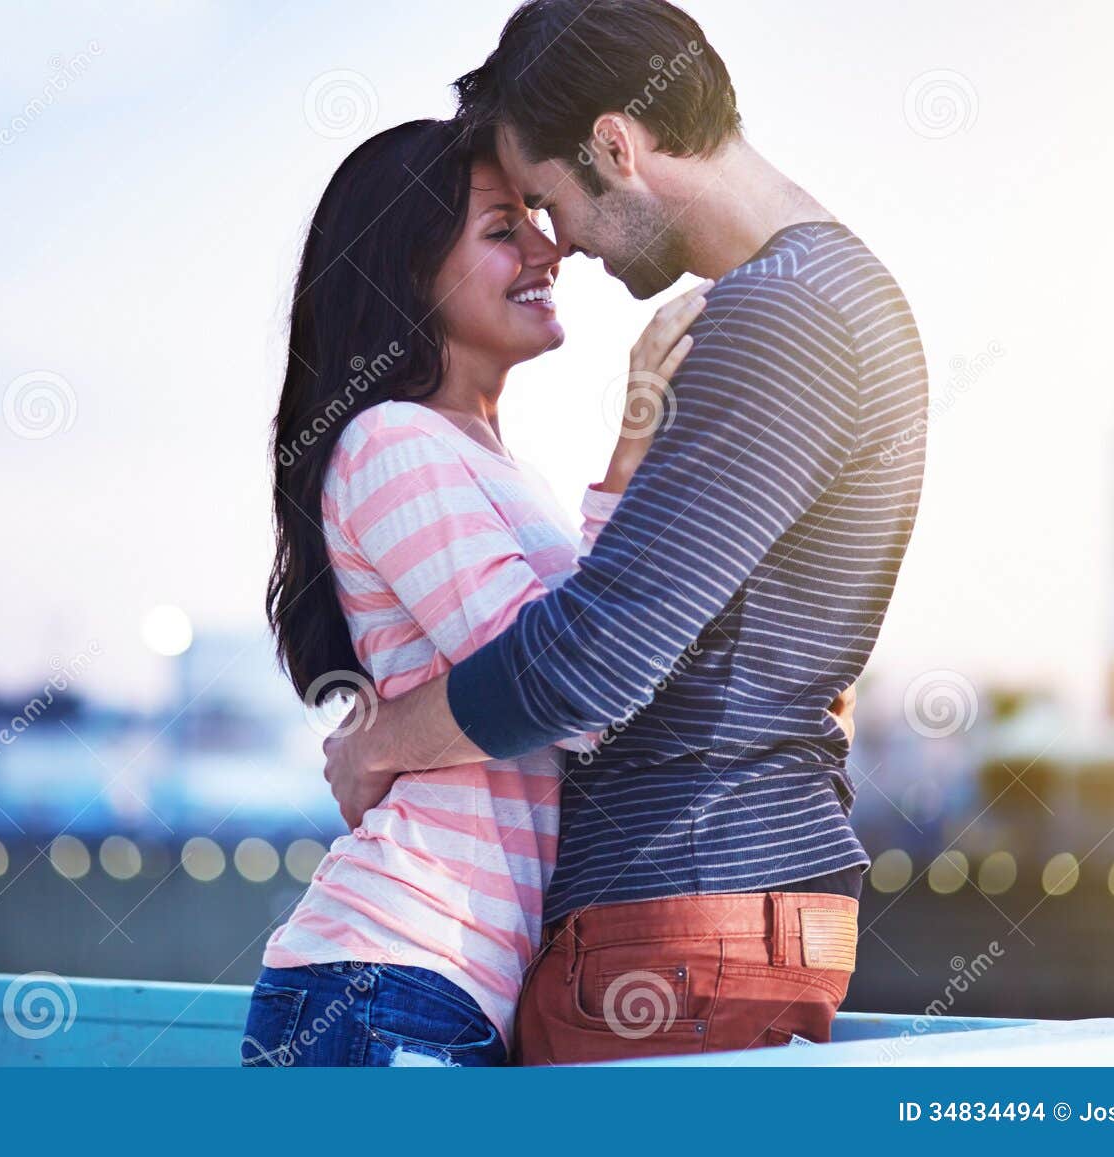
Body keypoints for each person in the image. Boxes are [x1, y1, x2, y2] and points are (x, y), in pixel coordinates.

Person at [320, 0, 928, 1065]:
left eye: (549, 201)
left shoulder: (771, 317)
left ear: (616, 143)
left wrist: (378, 739)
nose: (561, 244)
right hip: (756, 905)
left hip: (677, 912)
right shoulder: (852, 299)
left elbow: (590, 663)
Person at [243, 116, 730, 1066]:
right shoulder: (393, 443)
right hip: (390, 976)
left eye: (535, 220)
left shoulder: (490, 465)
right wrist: (632, 449)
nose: (549, 248)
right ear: (407, 270)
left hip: (441, 988)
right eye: (502, 229)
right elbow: (565, 683)